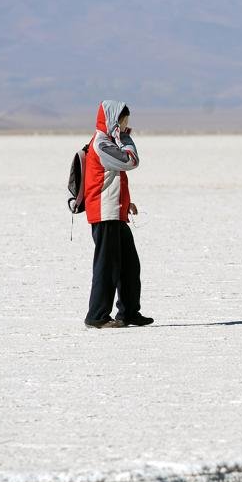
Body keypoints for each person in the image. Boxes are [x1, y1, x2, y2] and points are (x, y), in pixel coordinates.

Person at [83, 100, 153, 329]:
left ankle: (129, 312)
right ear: (113, 120)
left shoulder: (110, 141)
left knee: (129, 265)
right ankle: (97, 316)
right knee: (107, 266)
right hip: (105, 213)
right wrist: (125, 138)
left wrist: (126, 203)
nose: (125, 125)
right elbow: (130, 161)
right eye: (123, 121)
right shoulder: (102, 143)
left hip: (115, 211)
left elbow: (111, 179)